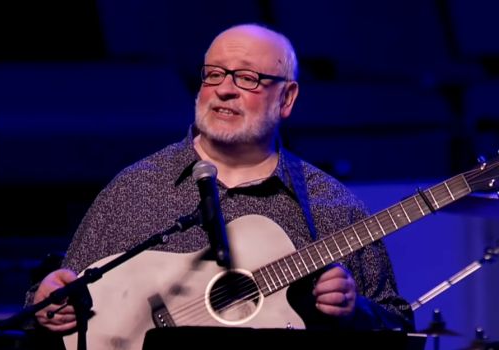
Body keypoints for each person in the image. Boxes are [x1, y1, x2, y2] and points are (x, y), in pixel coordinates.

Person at [25, 23, 415, 343]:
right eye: (214, 74)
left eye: (247, 78)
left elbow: (399, 327)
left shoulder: (332, 204)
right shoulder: (136, 188)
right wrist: (48, 302)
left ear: (287, 98)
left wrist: (356, 311)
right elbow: (56, 300)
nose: (224, 89)